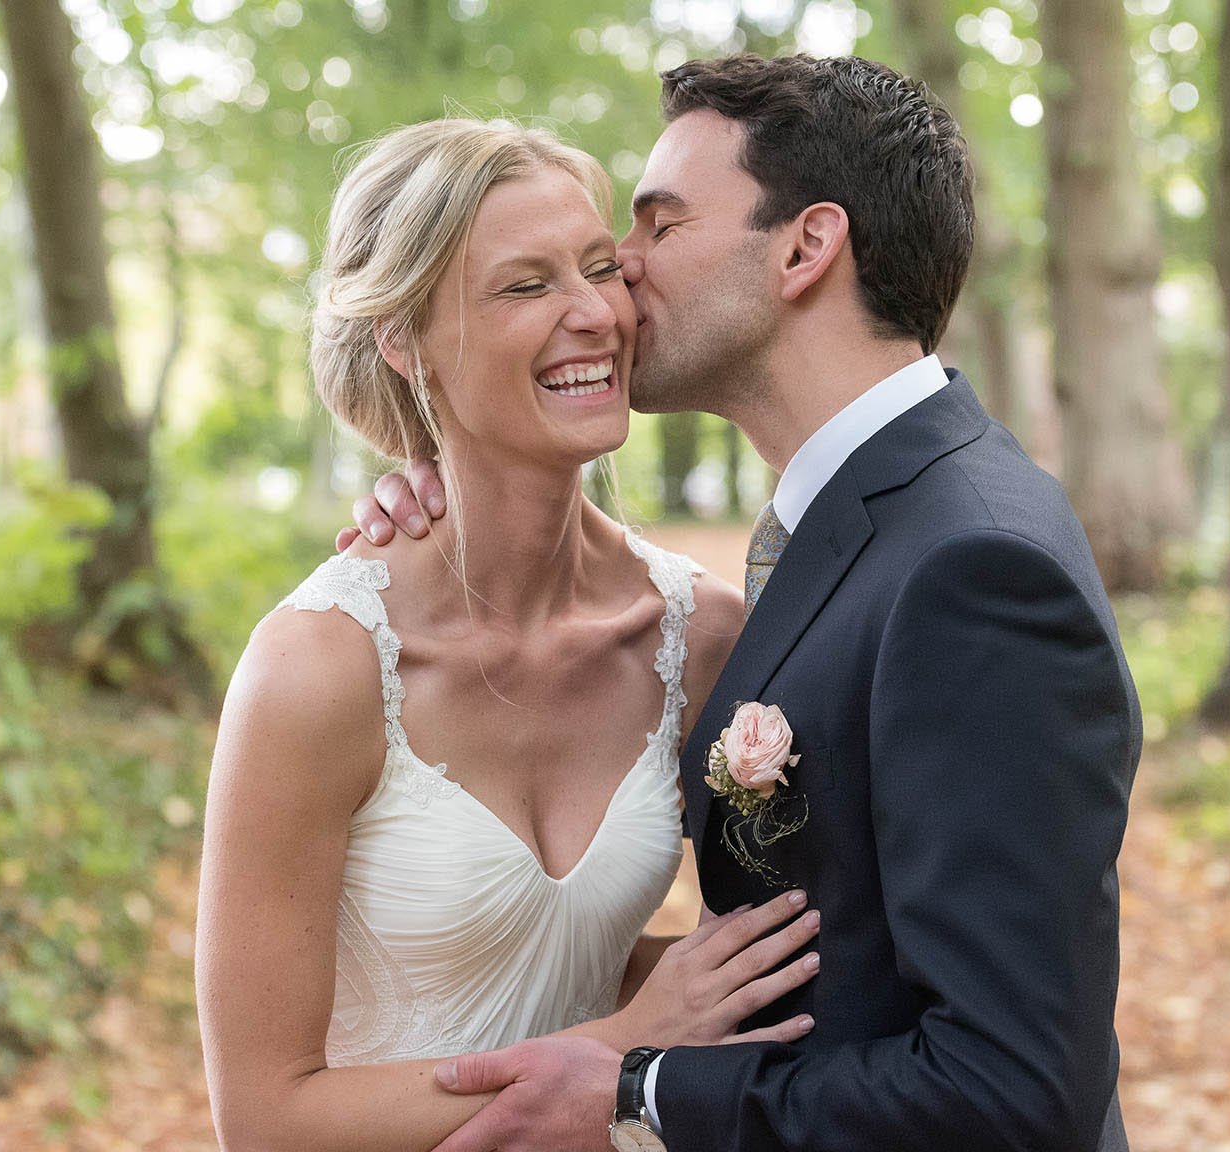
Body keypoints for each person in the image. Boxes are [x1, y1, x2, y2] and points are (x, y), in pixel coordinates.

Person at [345, 55, 1138, 1151]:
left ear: (805, 249)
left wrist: (636, 1097)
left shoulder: (971, 568)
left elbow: (1012, 1088)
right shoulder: (874, 518)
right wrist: (450, 477)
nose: (616, 273)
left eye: (657, 226)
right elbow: (834, 939)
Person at [195, 117, 829, 1152]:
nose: (593, 315)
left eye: (597, 269)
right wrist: (623, 1045)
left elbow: (733, 944)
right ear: (402, 339)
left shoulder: (699, 637)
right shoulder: (320, 668)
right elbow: (265, 1119)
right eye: (524, 286)